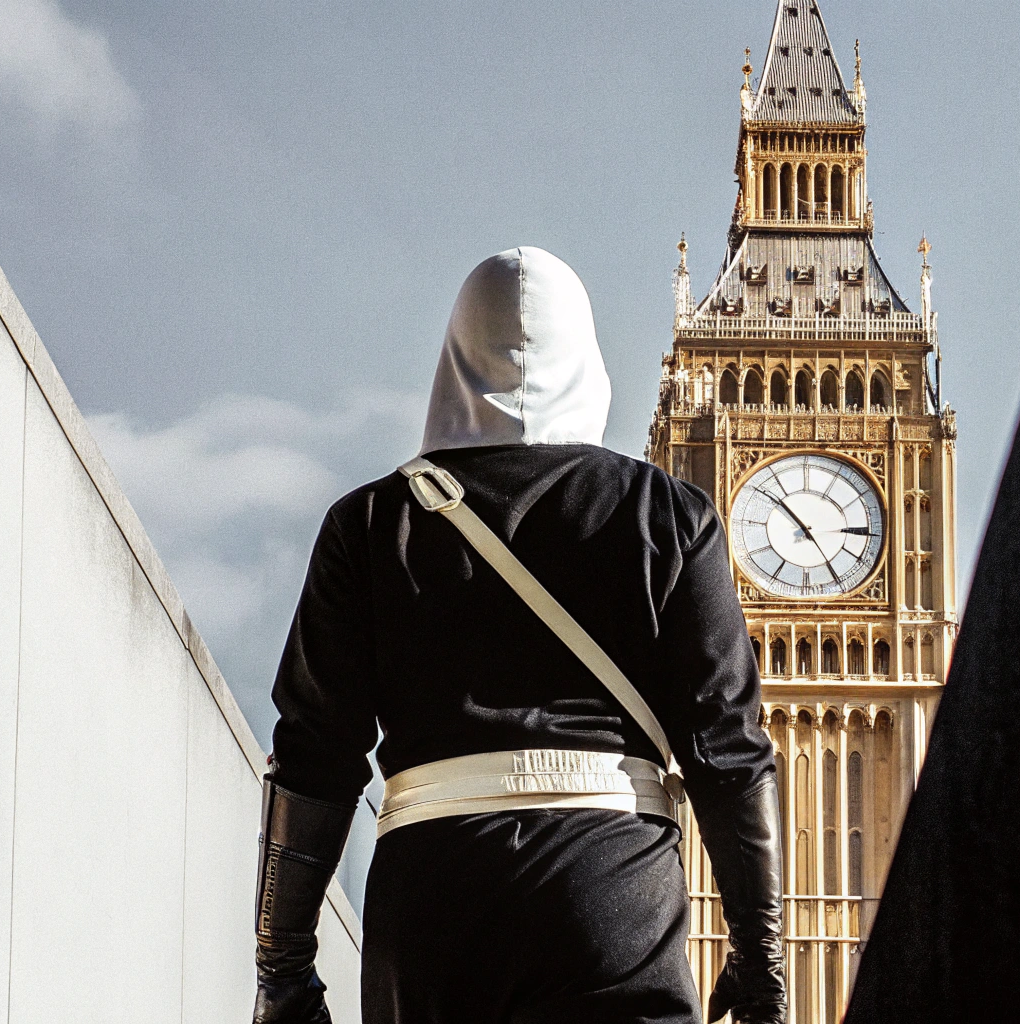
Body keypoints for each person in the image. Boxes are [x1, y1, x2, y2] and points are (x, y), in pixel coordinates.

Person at [251, 246, 787, 1024]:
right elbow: (728, 752)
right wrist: (762, 966)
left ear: (456, 355)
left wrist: (282, 973)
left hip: (433, 895)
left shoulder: (369, 522)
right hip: (611, 886)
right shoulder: (667, 514)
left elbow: (312, 756)